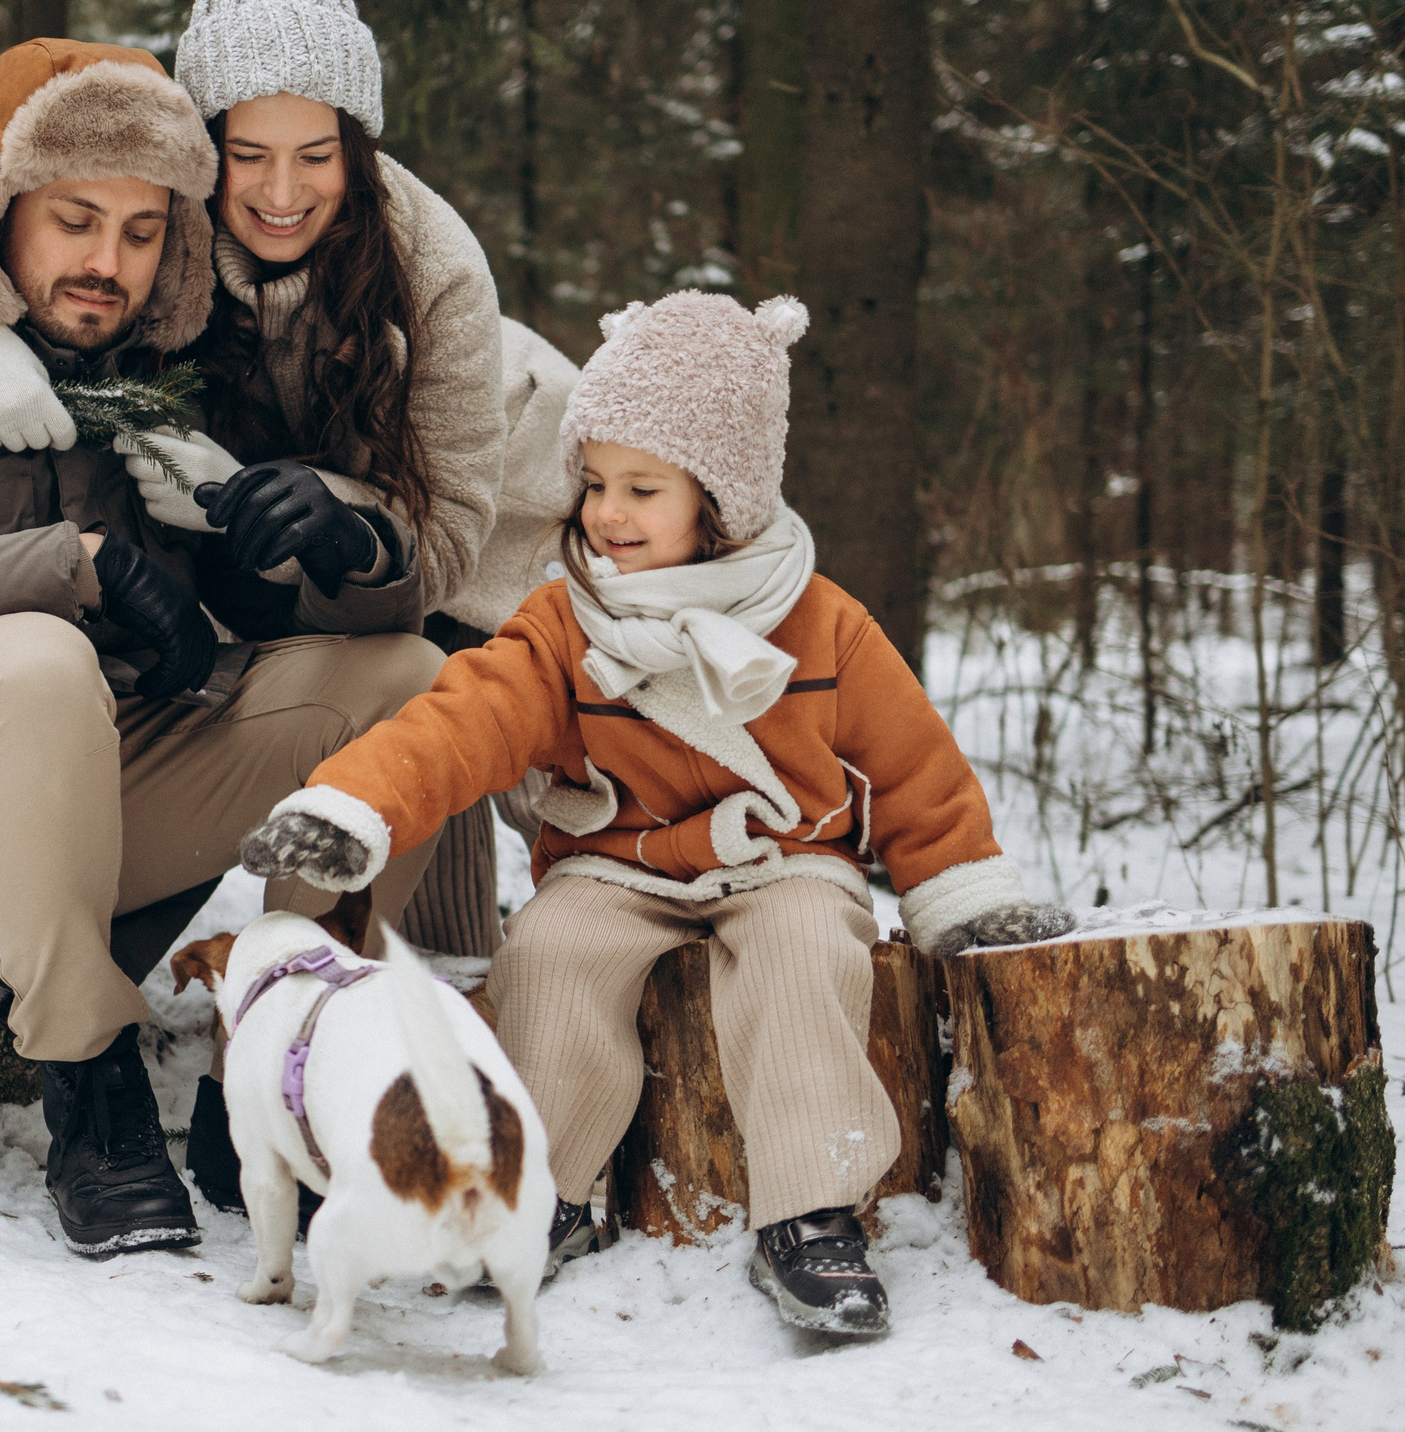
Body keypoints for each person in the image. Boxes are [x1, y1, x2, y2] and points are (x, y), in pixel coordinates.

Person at [234, 291, 1078, 1341]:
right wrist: (355, 803)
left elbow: (913, 768)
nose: (607, 513)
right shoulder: (562, 620)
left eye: (643, 488)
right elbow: (463, 722)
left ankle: (810, 1215)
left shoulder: (820, 622)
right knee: (548, 955)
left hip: (781, 860)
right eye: (592, 483)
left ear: (720, 502)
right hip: (614, 862)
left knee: (809, 953)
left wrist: (958, 890)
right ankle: (542, 1190)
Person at [0, 38, 449, 1260]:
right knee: (32, 654)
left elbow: (318, 618)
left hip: (101, 783)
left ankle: (289, 1061)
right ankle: (89, 1082)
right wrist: (73, 566)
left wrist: (335, 546)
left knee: (407, 686)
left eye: (139, 233)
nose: (104, 262)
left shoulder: (158, 386)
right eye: (74, 220)